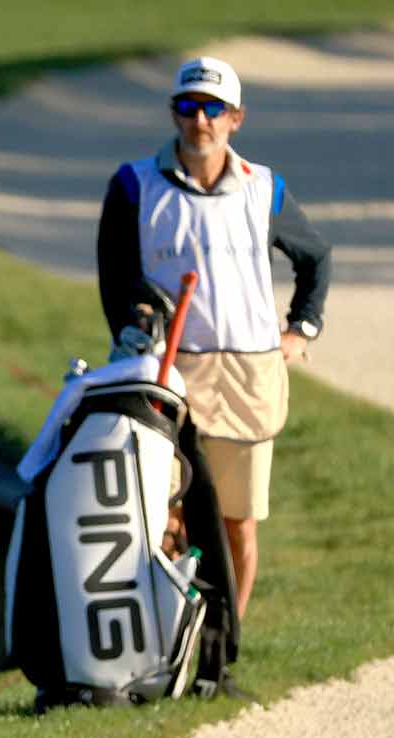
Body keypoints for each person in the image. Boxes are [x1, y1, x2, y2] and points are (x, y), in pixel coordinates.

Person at [96, 56, 331, 622]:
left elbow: (316, 258)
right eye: (187, 107)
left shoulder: (264, 189)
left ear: (235, 118)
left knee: (237, 521)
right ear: (173, 113)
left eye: (212, 109)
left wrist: (300, 330)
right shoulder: (134, 185)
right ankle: (169, 635)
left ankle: (225, 645)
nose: (199, 120)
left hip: (248, 374)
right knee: (161, 517)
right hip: (167, 373)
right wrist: (131, 330)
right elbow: (115, 275)